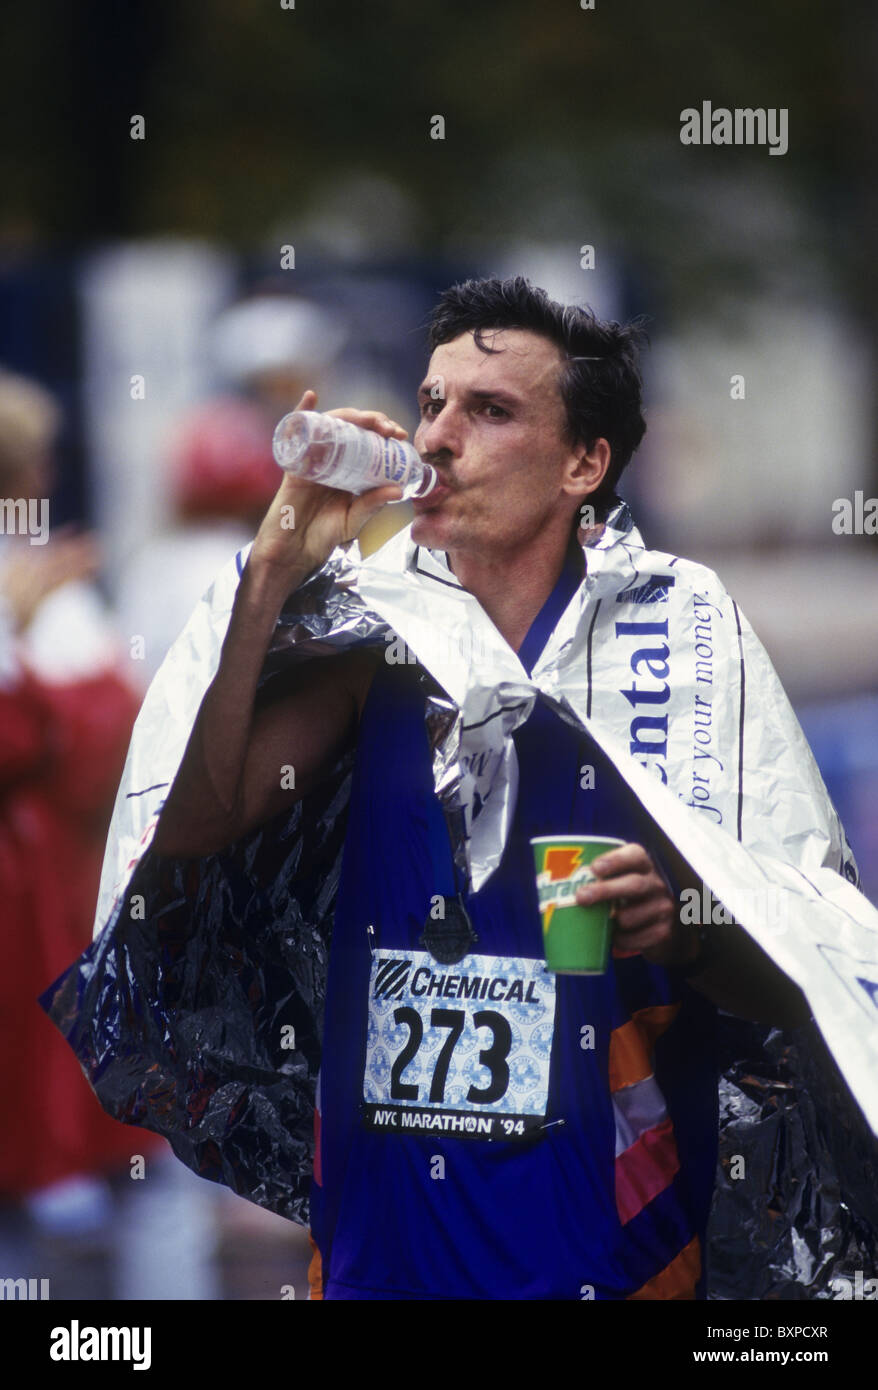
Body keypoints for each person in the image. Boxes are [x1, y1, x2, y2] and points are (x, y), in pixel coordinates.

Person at [140, 277, 826, 1301]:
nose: (437, 440)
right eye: (429, 405)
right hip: (391, 1222)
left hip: (604, 1225)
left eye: (489, 411)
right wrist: (270, 576)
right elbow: (191, 824)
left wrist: (675, 922)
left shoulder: (670, 638)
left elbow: (800, 962)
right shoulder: (372, 636)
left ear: (582, 463)